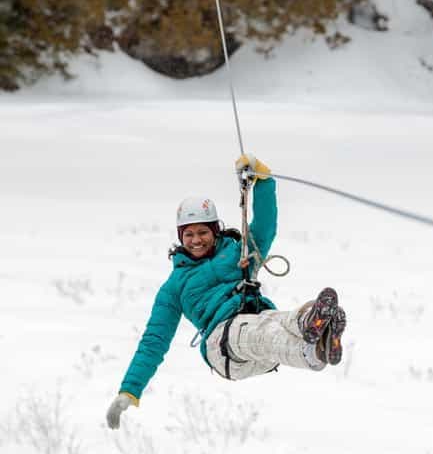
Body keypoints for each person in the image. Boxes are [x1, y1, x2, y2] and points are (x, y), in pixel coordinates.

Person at [106, 154, 346, 429]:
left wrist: (263, 181)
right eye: (189, 234)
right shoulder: (174, 287)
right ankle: (311, 352)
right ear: (180, 238)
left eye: (203, 232)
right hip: (224, 347)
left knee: (275, 321)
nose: (196, 240)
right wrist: (129, 391)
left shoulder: (238, 251)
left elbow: (265, 226)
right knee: (257, 331)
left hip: (258, 332)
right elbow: (154, 341)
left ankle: (315, 330)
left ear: (215, 231)